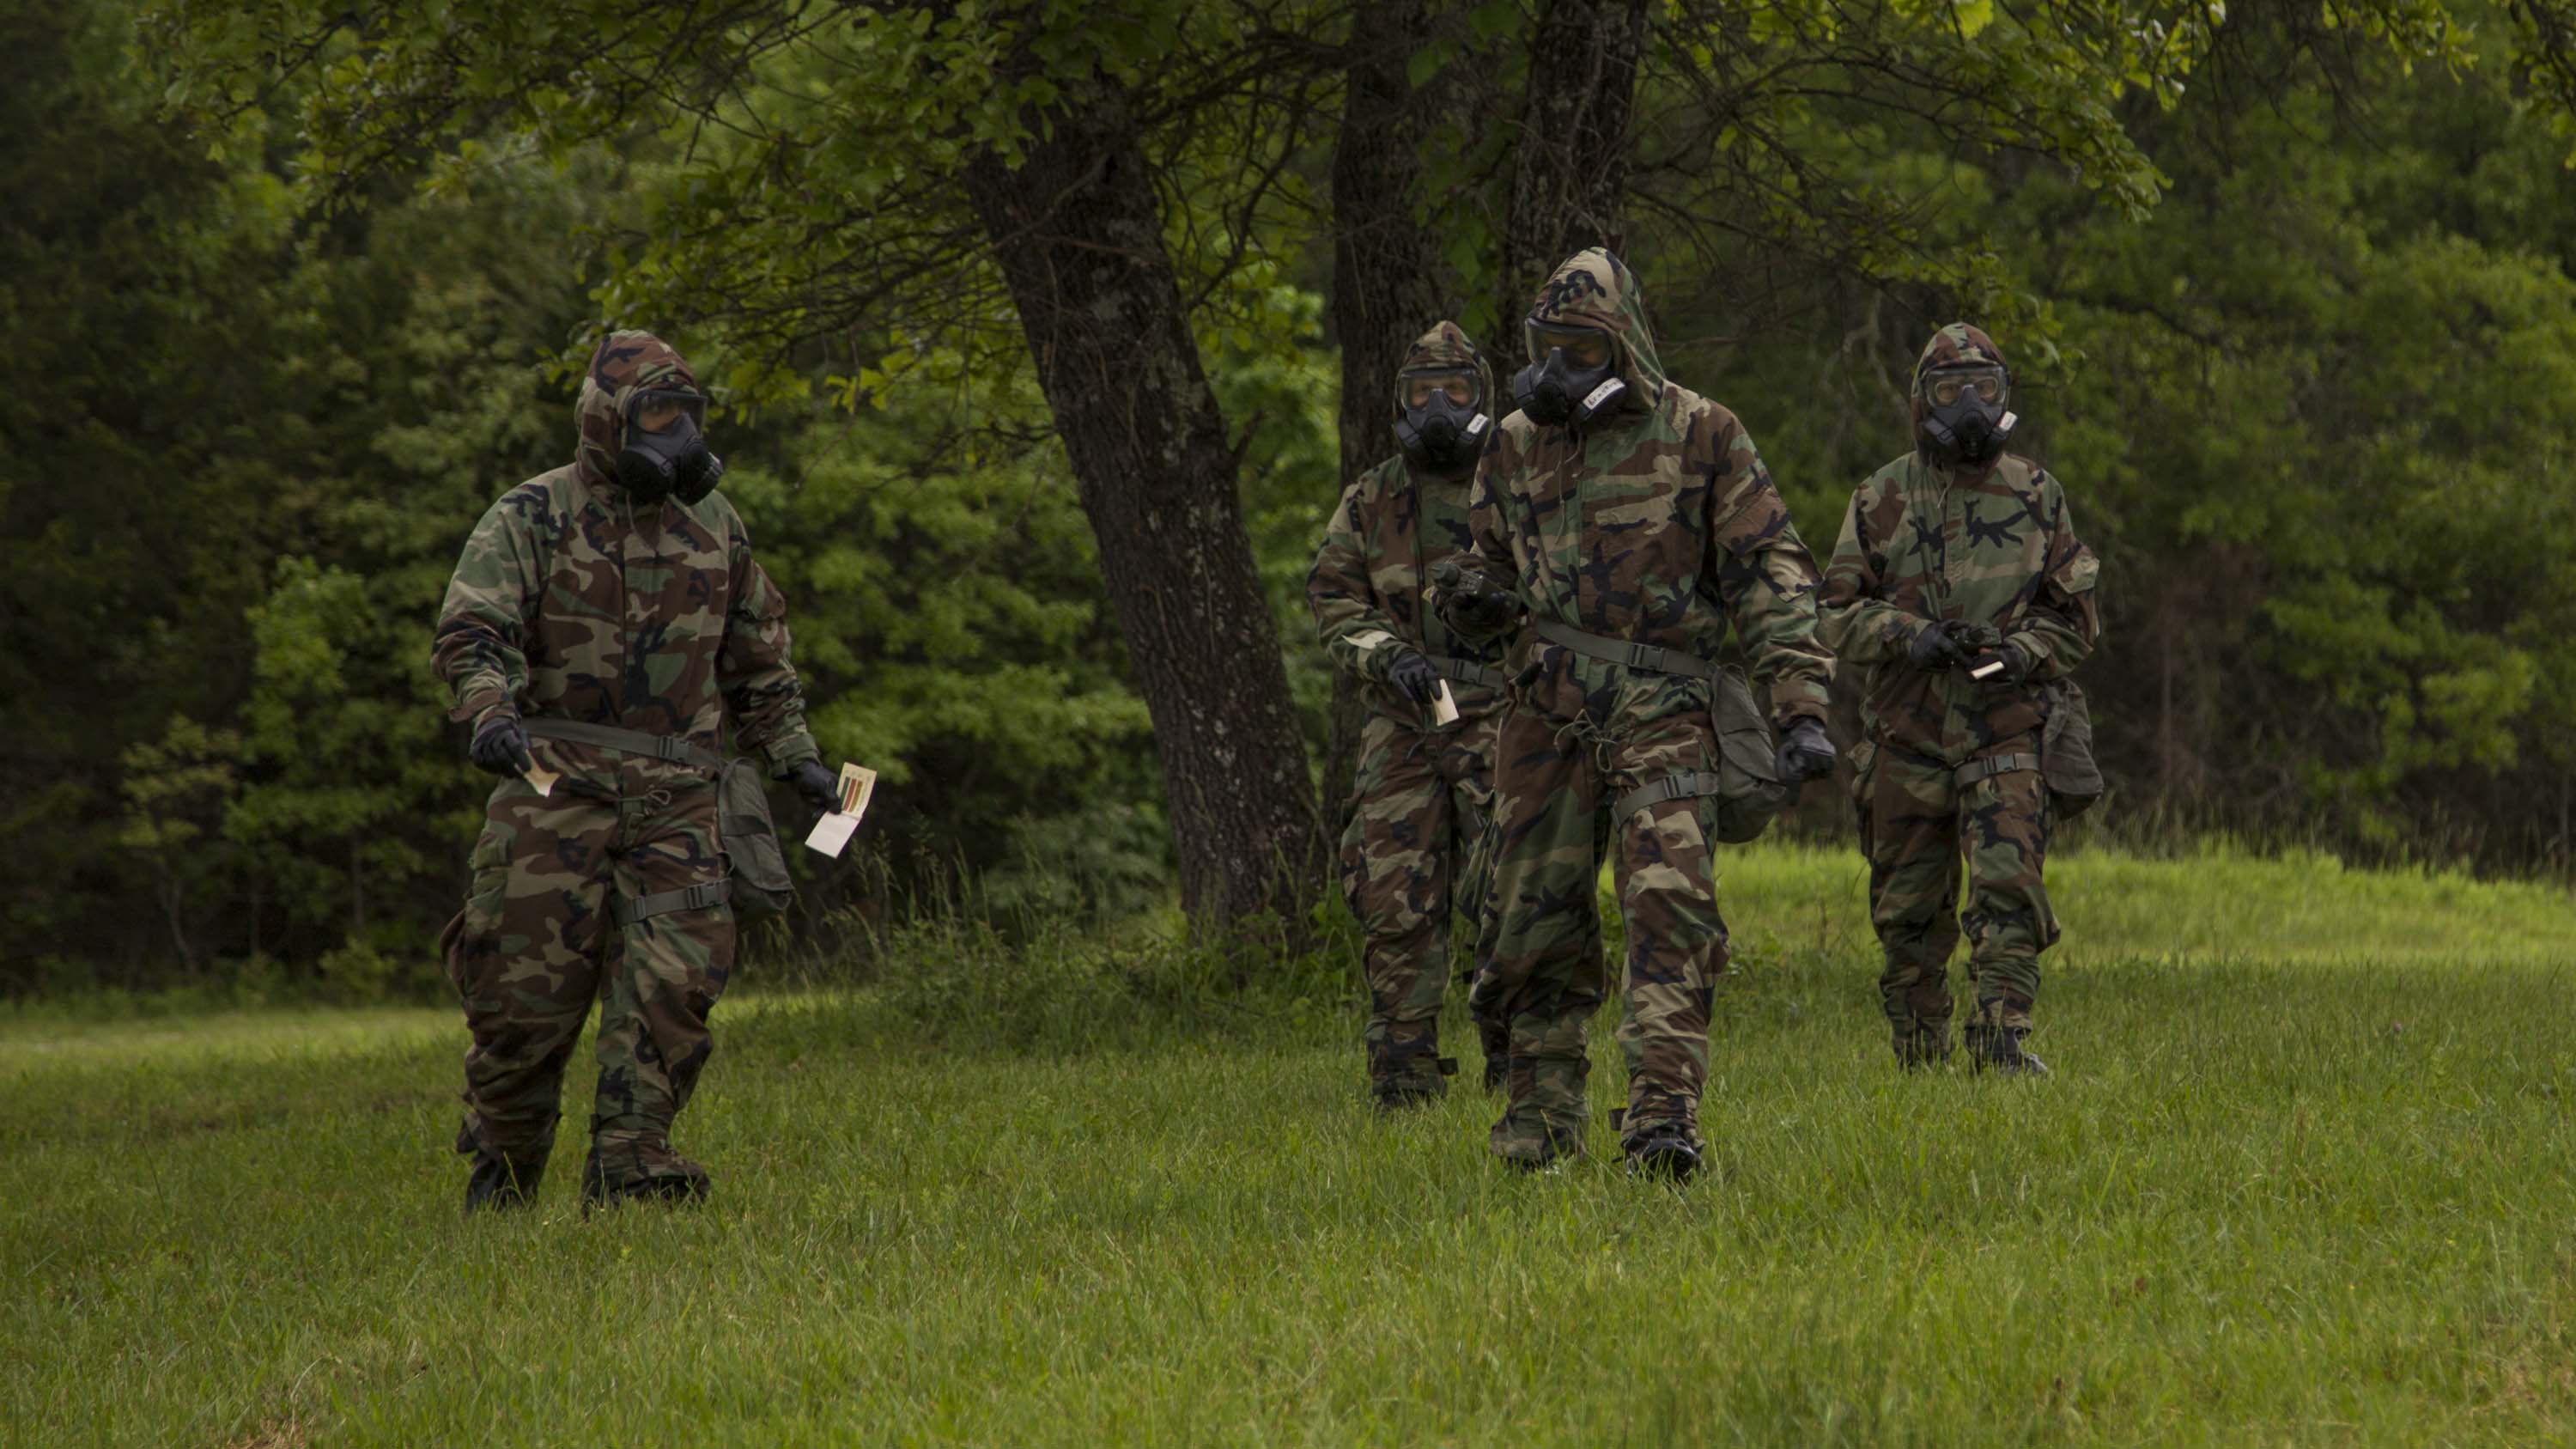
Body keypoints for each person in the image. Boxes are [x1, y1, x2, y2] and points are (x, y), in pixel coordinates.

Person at [1437, 249, 1837, 1178]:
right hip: (1544, 709)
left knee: (1670, 906)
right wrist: (1471, 598)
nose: (1558, 368)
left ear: (1625, 346)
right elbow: (1480, 560)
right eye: (1546, 346)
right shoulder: (1514, 443)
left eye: (1581, 349)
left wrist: (1801, 707)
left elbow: (1770, 573)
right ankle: (1540, 1119)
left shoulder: (1703, 432)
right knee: (1528, 916)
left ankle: (1662, 1115)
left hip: (1664, 703)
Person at [432, 329, 838, 1211]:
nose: (676, 435)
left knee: (674, 984)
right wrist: (490, 708)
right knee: (520, 1004)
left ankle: (631, 1161)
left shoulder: (716, 526)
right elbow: (474, 630)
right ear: (605, 421)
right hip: (555, 788)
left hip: (680, 796)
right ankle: (505, 1168)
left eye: (686, 415)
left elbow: (759, 657)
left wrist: (796, 754)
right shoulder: (532, 515)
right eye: (656, 415)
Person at [1817, 322, 2101, 1075]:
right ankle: (1918, 1048)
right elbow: (1834, 613)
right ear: (1922, 402)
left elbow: (2075, 619)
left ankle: (2003, 1038)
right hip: (1906, 735)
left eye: (1985, 390)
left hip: (2007, 726)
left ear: (2005, 397)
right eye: (1950, 391)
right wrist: (1910, 635)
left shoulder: (2038, 494)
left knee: (2010, 889)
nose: (1970, 407)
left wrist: (2021, 651)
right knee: (1907, 910)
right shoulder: (1880, 495)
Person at [1307, 321, 1511, 1109]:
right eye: (1423, 392)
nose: (1438, 407)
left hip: (1500, 714)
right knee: (1394, 895)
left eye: (1455, 390)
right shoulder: (1372, 496)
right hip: (1401, 719)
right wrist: (1386, 653)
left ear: (1481, 395)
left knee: (1511, 887)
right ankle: (1403, 1069)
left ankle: (1520, 1059)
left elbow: (1565, 592)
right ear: (1400, 400)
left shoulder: (1514, 486)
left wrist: (1504, 614)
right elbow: (1333, 599)